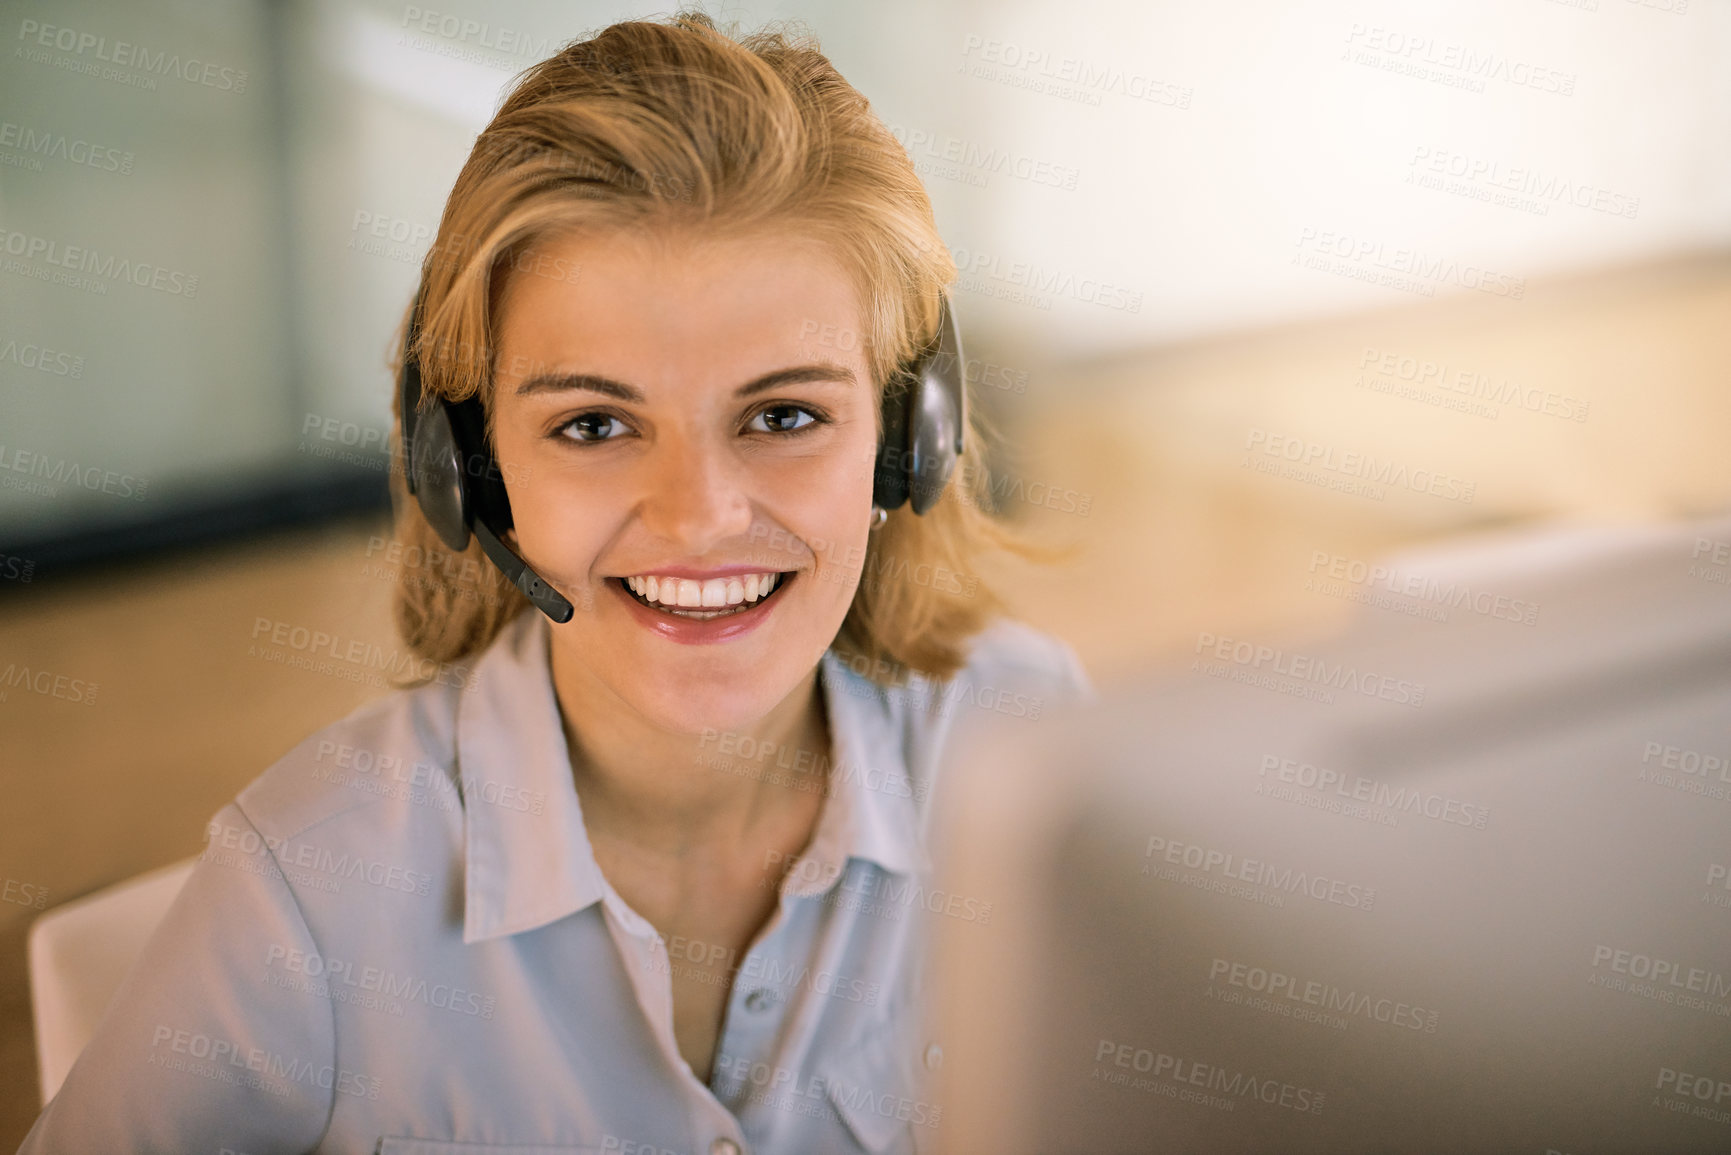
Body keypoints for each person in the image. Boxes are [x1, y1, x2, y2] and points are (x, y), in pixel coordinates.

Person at [18, 12, 1089, 1154]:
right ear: (467, 472)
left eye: (784, 415)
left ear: (905, 444)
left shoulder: (1028, 753)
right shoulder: (312, 891)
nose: (699, 516)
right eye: (594, 423)